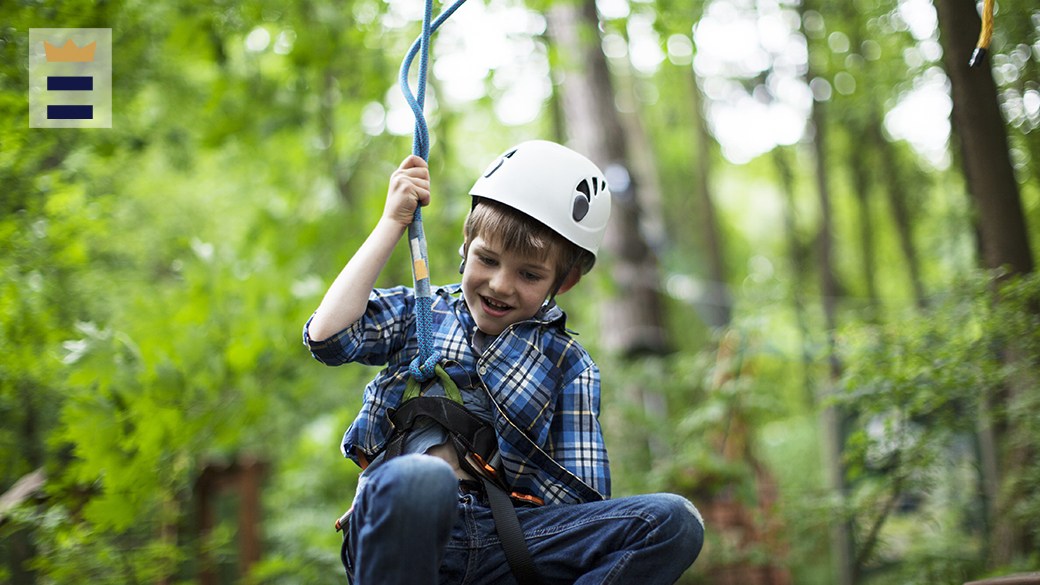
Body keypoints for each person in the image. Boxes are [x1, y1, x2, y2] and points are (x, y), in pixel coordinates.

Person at [304, 140, 704, 584]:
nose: (500, 284)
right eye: (487, 259)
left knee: (673, 521)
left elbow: (580, 506)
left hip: (507, 540)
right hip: (406, 523)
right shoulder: (424, 314)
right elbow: (330, 337)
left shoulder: (568, 364)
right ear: (465, 246)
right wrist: (391, 223)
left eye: (529, 274)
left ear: (564, 282)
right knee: (424, 481)